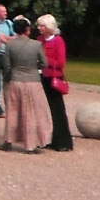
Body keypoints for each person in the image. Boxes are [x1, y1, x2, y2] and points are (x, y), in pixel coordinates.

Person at [0, 17, 49, 154]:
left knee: (13, 112)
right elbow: (45, 63)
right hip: (32, 80)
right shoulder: (36, 45)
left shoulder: (10, 45)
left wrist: (10, 76)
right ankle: (30, 144)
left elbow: (7, 66)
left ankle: (8, 141)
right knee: (32, 112)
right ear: (27, 30)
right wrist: (35, 66)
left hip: (16, 79)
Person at [36, 14, 72, 152]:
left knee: (58, 110)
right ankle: (52, 139)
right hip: (42, 76)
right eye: (39, 26)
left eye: (42, 26)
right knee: (47, 110)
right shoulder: (39, 40)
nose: (40, 28)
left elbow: (61, 62)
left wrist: (45, 59)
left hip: (54, 77)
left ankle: (64, 141)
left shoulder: (58, 41)